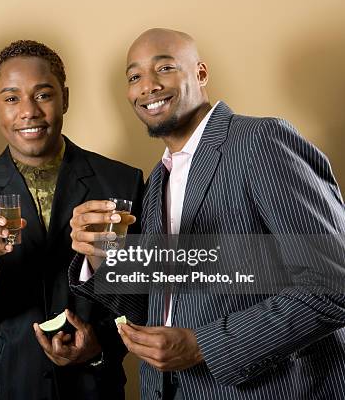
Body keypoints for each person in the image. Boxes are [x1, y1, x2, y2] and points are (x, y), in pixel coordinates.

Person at [68, 28, 345, 399]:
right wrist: (101, 256)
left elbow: (332, 286)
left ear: (200, 74)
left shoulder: (260, 142)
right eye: (134, 77)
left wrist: (203, 345)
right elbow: (155, 304)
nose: (147, 86)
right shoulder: (157, 184)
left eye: (164, 68)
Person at [0, 40, 144, 399]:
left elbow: (145, 297)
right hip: (2, 388)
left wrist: (98, 346)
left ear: (64, 97)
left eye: (43, 95)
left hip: (93, 386)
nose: (28, 111)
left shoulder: (122, 182)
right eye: (12, 98)